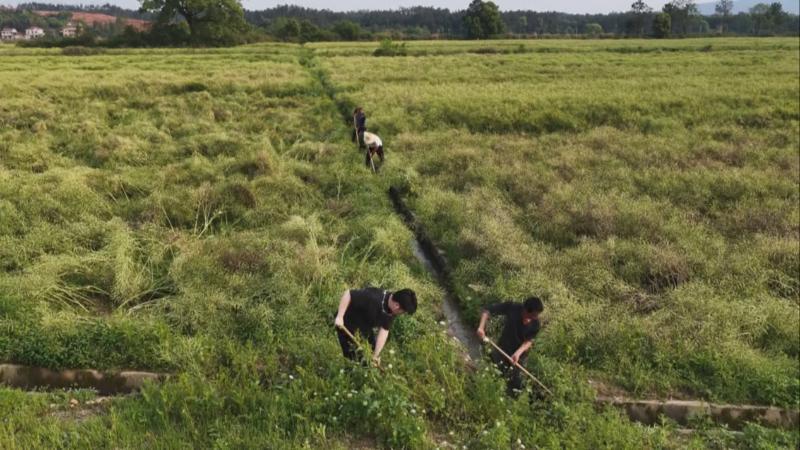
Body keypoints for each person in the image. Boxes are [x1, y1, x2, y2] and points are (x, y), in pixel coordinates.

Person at [476, 296, 543, 396]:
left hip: (519, 357)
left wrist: (518, 353)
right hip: (502, 349)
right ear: (525, 310)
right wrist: (481, 327)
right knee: (494, 373)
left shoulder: (536, 324)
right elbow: (487, 310)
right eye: (532, 316)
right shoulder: (513, 308)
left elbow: (528, 341)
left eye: (536, 316)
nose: (534, 318)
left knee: (516, 384)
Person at [334, 287, 417, 365]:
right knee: (352, 357)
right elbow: (348, 294)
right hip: (347, 322)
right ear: (397, 306)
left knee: (371, 353)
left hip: (365, 325)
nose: (401, 314)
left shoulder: (391, 309)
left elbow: (384, 329)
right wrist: (340, 317)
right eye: (402, 312)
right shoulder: (372, 298)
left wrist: (375, 355)